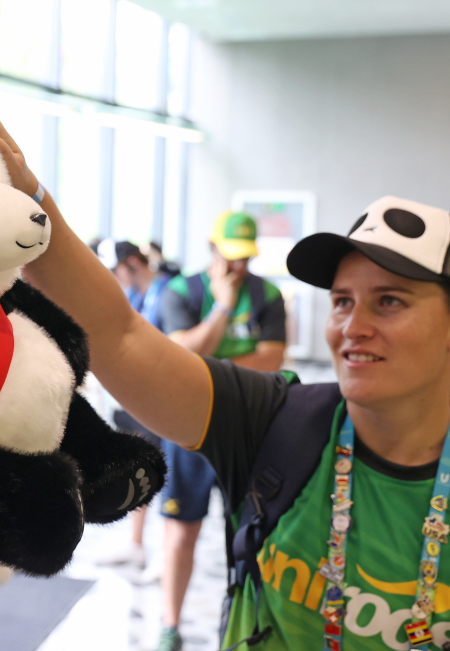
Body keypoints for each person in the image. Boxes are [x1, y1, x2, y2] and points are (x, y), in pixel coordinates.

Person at [0, 86, 450, 650]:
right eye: (343, 301)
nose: (352, 326)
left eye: (389, 301)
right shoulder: (275, 422)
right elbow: (120, 334)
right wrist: (29, 193)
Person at [156, 212, 286, 651]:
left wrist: (208, 372)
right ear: (212, 250)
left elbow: (272, 359)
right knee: (181, 530)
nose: (237, 267)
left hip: (251, 428)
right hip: (187, 428)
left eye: (245, 259)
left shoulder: (268, 295)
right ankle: (169, 627)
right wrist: (224, 307)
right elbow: (178, 354)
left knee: (253, 532)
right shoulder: (182, 291)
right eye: (230, 258)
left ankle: (251, 624)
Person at [96, 241, 174, 572]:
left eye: (116, 270)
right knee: (138, 467)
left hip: (161, 401)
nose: (114, 277)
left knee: (164, 475)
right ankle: (137, 545)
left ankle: (166, 558)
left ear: (131, 264)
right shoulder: (134, 296)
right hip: (135, 398)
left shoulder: (168, 293)